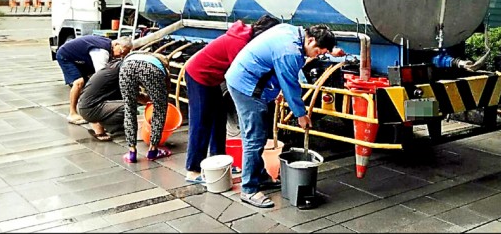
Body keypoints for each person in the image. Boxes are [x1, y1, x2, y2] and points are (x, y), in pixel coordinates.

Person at [225, 23, 344, 208]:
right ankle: (249, 189)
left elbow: (280, 69)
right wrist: (301, 114)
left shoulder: (292, 32)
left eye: (322, 54)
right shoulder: (289, 51)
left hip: (247, 81)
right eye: (318, 51)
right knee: (254, 139)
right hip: (246, 87)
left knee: (259, 136)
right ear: (310, 40)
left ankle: (261, 177)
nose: (318, 55)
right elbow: (290, 84)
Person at [184, 15, 280, 184]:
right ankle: (193, 169)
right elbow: (243, 71)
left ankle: (219, 163)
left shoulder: (247, 39)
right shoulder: (239, 43)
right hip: (199, 75)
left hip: (213, 79)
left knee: (218, 119)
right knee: (201, 122)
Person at [56, 35, 133, 125]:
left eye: (124, 55)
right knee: (79, 82)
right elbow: (101, 76)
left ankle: (85, 104)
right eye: (121, 52)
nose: (121, 56)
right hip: (66, 56)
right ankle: (72, 113)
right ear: (116, 44)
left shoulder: (109, 45)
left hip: (81, 57)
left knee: (88, 81)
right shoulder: (101, 52)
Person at [77, 58, 150, 142]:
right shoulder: (124, 72)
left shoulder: (117, 68)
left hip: (88, 105)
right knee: (130, 107)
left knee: (133, 105)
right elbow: (135, 96)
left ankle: (102, 121)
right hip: (90, 108)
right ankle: (99, 124)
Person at [119, 51, 172, 163]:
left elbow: (135, 94)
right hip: (150, 70)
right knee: (160, 109)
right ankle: (153, 151)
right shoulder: (161, 66)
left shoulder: (138, 54)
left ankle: (131, 153)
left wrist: (141, 97)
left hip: (126, 67)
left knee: (129, 108)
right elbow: (166, 92)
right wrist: (156, 98)